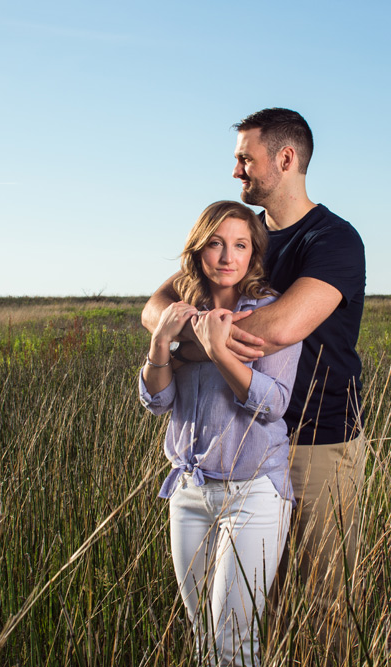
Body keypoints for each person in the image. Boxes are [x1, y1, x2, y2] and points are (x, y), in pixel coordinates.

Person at [142, 108, 367, 661]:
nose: (237, 170)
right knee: (239, 614)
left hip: (317, 441)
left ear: (285, 160)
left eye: (247, 158)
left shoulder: (333, 240)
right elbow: (154, 308)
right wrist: (193, 334)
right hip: (237, 446)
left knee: (319, 604)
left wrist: (188, 338)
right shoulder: (242, 234)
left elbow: (276, 330)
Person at [139, 200, 302, 666]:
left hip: (253, 492)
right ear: (198, 249)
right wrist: (159, 345)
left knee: (232, 640)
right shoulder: (181, 314)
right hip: (189, 491)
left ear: (253, 253)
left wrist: (219, 352)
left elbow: (273, 405)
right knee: (204, 637)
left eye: (240, 245)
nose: (227, 256)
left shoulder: (268, 312)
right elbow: (157, 402)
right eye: (215, 244)